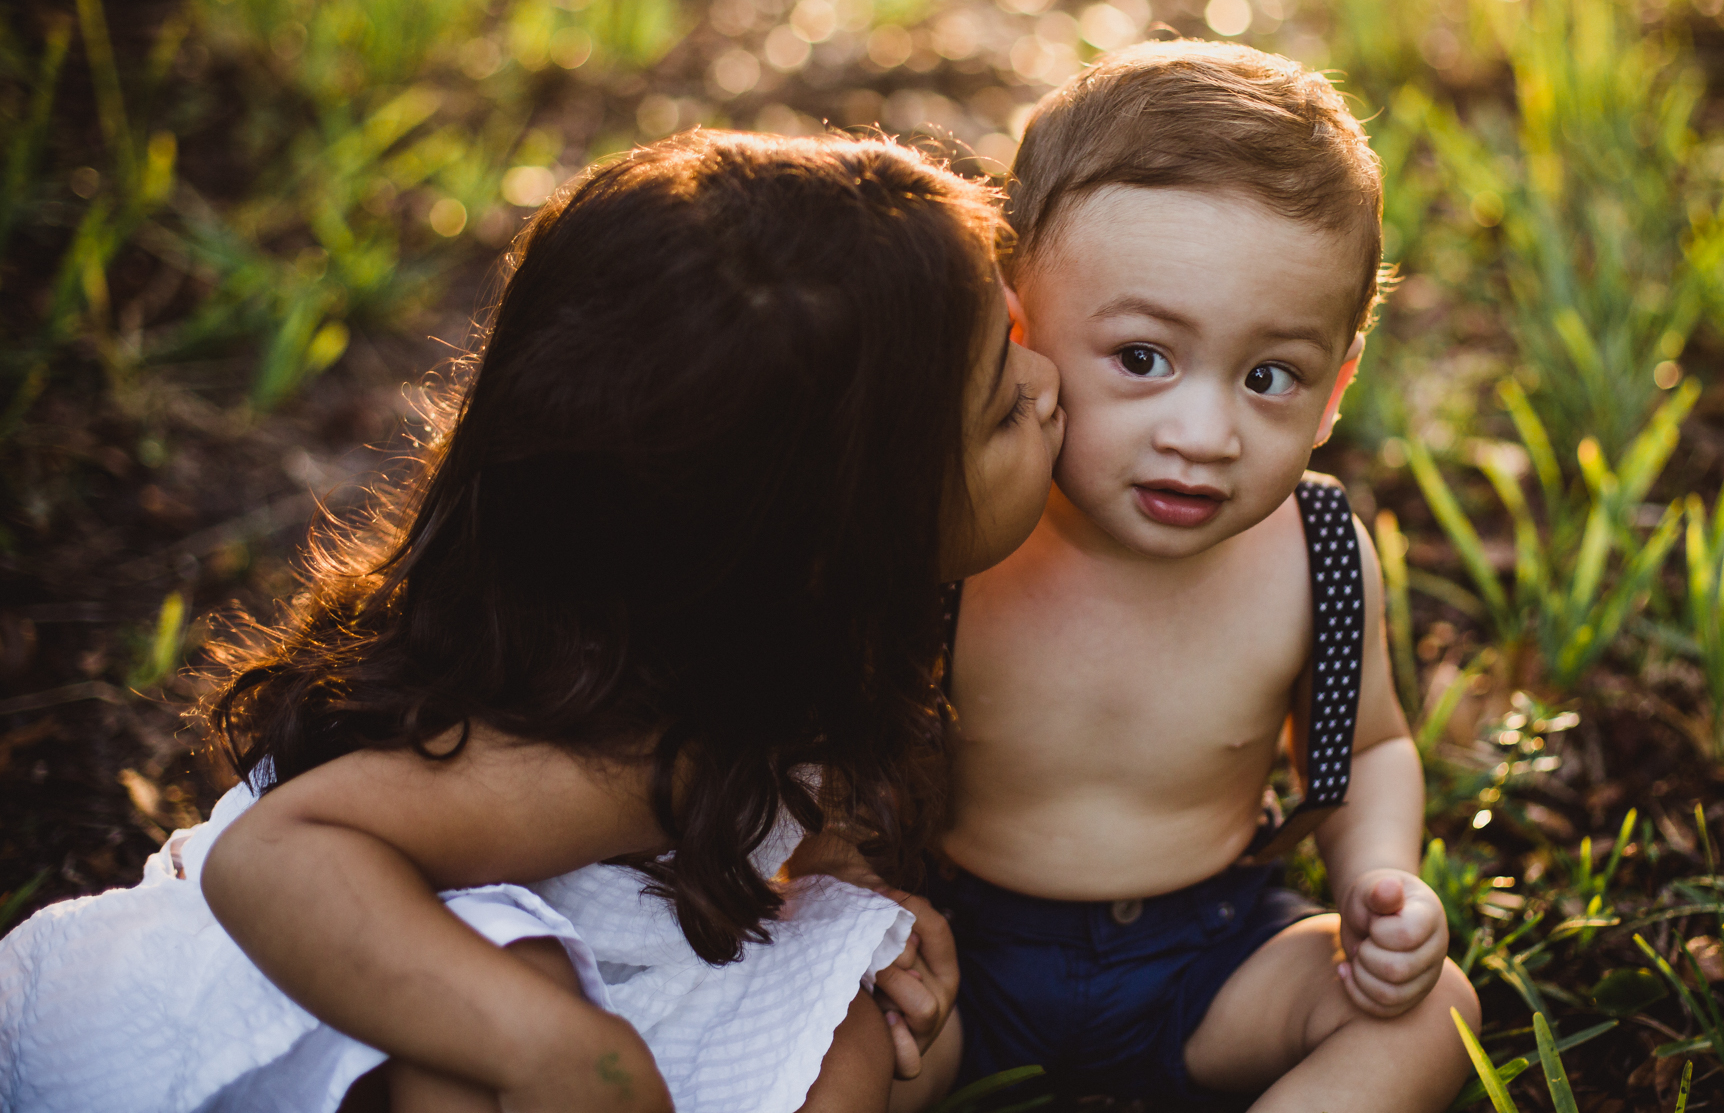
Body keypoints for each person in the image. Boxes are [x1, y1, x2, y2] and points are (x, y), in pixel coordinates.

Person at [0, 131, 1066, 1113]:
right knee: (483, 1035)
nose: (1048, 381)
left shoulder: (747, 636)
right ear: (837, 538)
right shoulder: (617, 744)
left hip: (619, 940)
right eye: (1002, 405)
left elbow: (792, 804)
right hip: (357, 961)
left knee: (884, 1029)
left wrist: (849, 887)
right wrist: (549, 1046)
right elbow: (277, 854)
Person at [923, 42, 1479, 1113]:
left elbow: (1371, 745)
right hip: (956, 945)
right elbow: (834, 747)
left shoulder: (1313, 556)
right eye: (1141, 358)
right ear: (1018, 330)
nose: (1202, 432)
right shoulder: (960, 536)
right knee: (828, 1033)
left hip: (1207, 958)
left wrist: (1382, 881)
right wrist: (856, 897)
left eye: (1268, 378)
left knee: (1432, 1009)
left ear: (1332, 393)